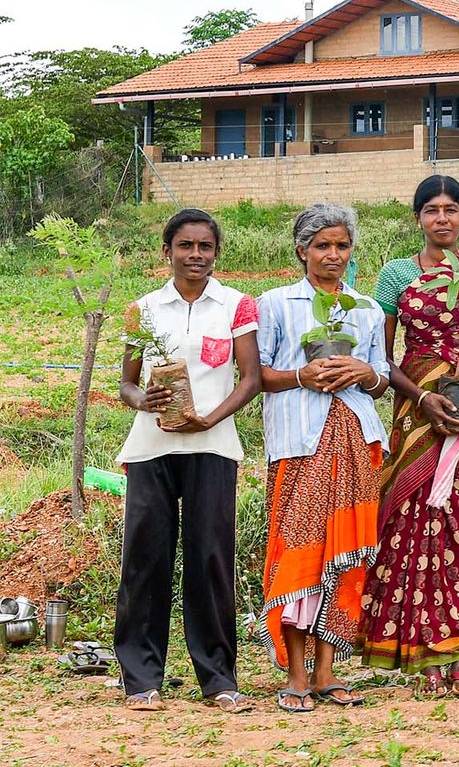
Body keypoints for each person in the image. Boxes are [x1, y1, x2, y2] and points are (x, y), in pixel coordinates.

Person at [114, 208, 263, 714]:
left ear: (216, 252)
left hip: (212, 447)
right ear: (167, 251)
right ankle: (140, 680)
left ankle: (219, 679)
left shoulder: (236, 305)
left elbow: (250, 379)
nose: (195, 255)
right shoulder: (143, 310)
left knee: (211, 561)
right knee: (145, 559)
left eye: (204, 246)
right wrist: (142, 402)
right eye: (185, 245)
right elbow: (127, 382)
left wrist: (211, 418)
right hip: (151, 448)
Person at [361, 177, 459, 697]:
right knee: (412, 525)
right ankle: (419, 655)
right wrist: (421, 398)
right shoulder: (396, 275)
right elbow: (382, 357)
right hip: (419, 419)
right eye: (431, 211)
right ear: (418, 219)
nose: (441, 219)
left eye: (450, 210)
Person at [257, 204, 394, 713]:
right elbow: (257, 376)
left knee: (347, 557)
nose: (332, 255)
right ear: (302, 251)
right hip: (300, 444)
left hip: (356, 440)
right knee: (302, 555)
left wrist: (361, 370)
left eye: (341, 246)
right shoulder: (274, 303)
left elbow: (381, 380)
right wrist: (302, 376)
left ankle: (327, 672)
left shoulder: (368, 309)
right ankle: (295, 674)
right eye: (322, 246)